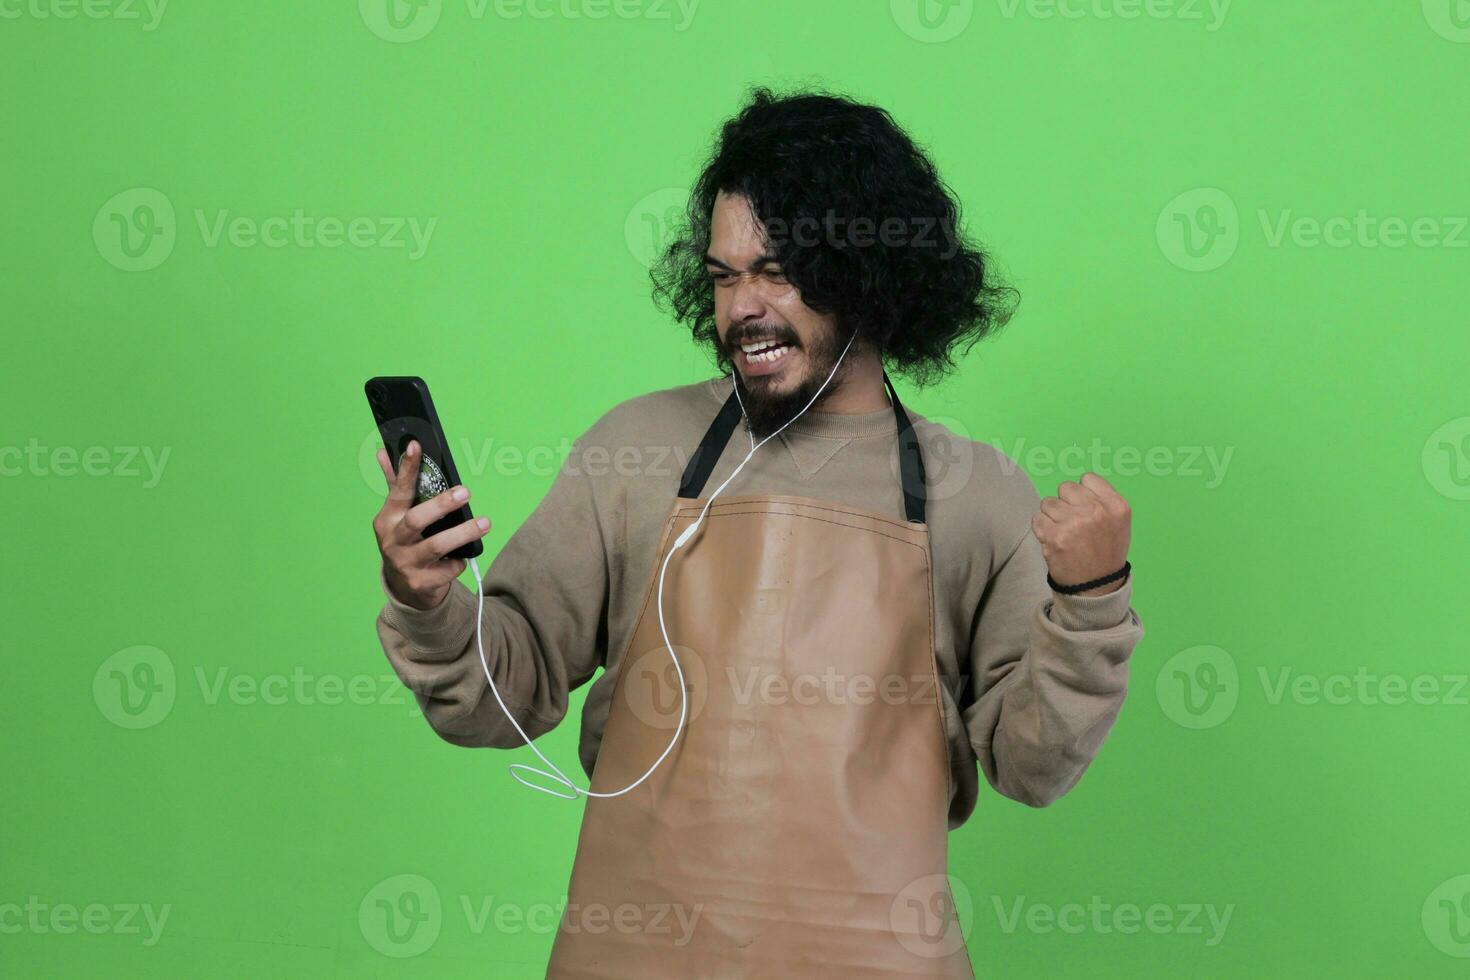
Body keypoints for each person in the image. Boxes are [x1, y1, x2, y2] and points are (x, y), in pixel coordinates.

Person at [370, 87, 1144, 979]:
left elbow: (1031, 767)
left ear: (867, 271)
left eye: (778, 270)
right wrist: (426, 598)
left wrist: (1091, 602)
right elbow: (501, 699)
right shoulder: (636, 450)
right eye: (724, 274)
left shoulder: (976, 495)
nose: (744, 307)